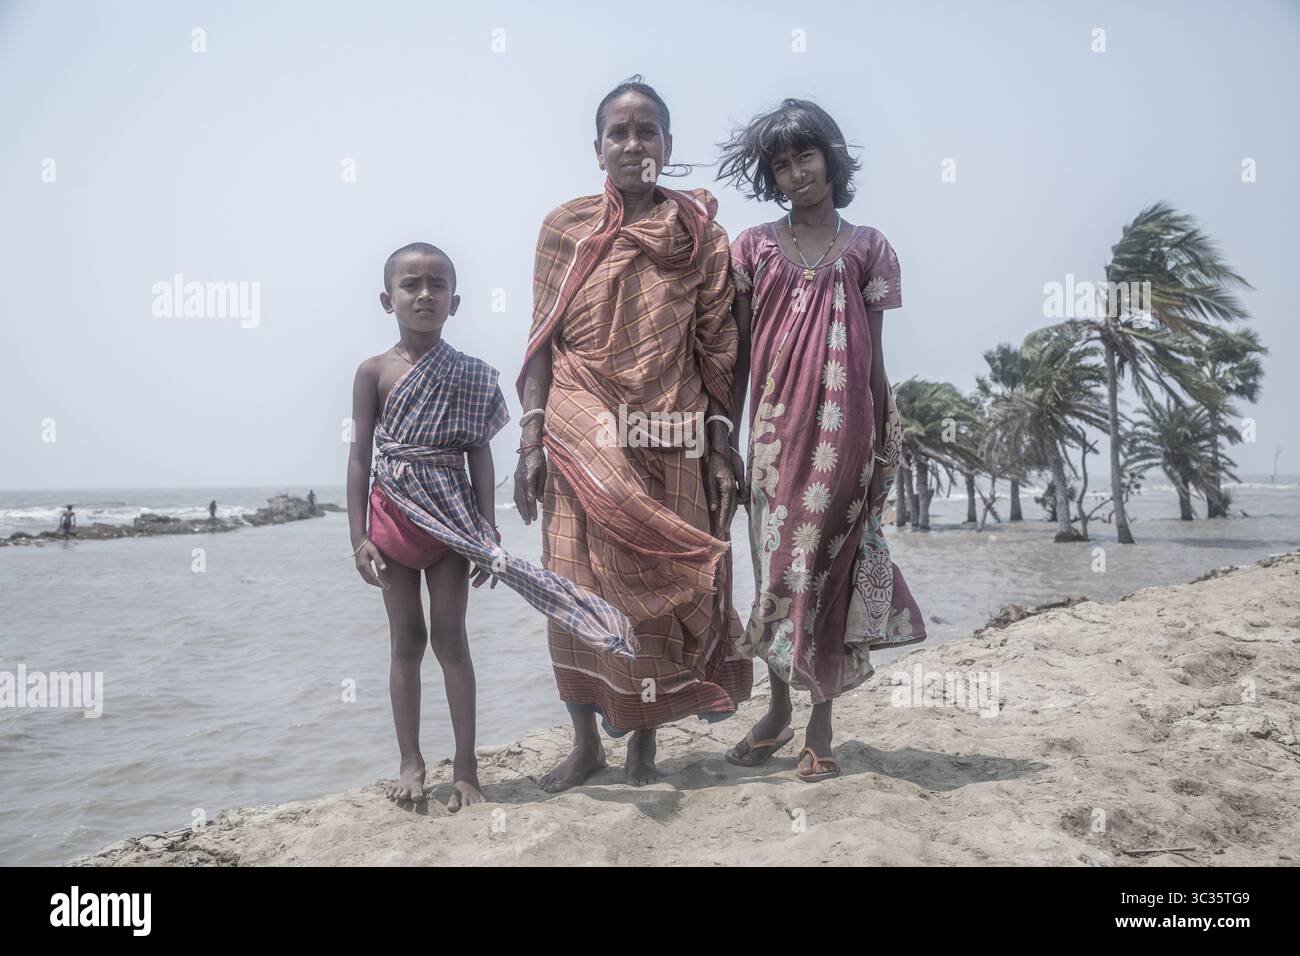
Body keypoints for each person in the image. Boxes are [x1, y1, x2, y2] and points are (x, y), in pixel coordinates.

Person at [514, 77, 750, 791]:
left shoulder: (704, 238)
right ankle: (587, 743)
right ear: (597, 149)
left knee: (657, 593)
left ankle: (644, 752)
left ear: (668, 147)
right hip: (579, 432)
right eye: (618, 133)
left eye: (646, 131)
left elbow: (718, 349)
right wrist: (529, 440)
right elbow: (542, 343)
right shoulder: (567, 228)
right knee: (573, 590)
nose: (632, 144)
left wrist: (719, 447)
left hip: (669, 430)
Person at [347, 242, 629, 810]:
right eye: (411, 285)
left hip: (452, 523)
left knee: (451, 643)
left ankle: (467, 768)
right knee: (406, 643)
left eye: (437, 284)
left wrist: (486, 534)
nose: (424, 294)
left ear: (455, 300)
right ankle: (411, 762)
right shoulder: (372, 372)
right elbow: (358, 457)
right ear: (387, 299)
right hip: (393, 516)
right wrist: (358, 536)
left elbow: (480, 454)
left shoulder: (473, 374)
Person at [716, 98, 927, 781]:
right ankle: (777, 710)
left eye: (805, 156)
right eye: (780, 164)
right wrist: (728, 436)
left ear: (831, 157)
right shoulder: (749, 247)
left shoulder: (870, 247)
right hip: (775, 440)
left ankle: (821, 724)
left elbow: (875, 359)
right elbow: (742, 357)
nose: (796, 172)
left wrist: (884, 440)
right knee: (777, 580)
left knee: (827, 578)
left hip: (847, 437)